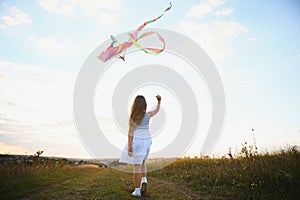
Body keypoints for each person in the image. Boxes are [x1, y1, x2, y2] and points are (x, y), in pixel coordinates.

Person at [119, 95, 161, 197]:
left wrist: (129, 147)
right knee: (142, 162)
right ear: (144, 105)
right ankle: (144, 179)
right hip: (146, 142)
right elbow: (156, 110)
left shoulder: (133, 118)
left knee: (137, 166)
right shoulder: (147, 115)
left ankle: (137, 191)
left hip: (137, 142)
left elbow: (130, 133)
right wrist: (159, 102)